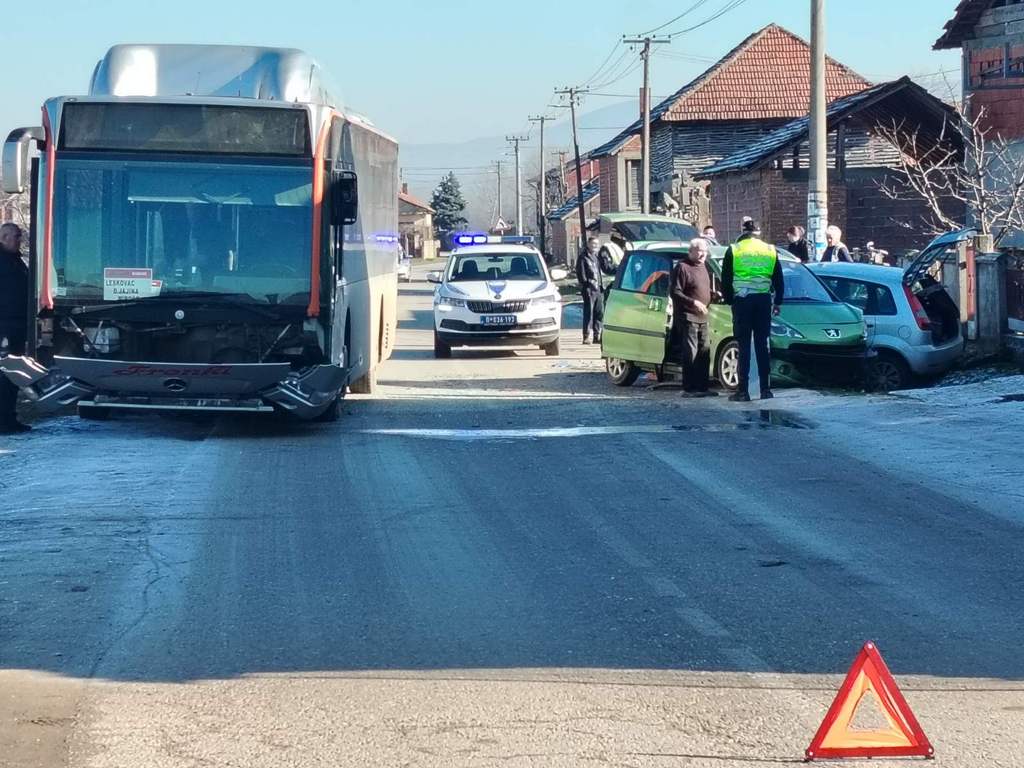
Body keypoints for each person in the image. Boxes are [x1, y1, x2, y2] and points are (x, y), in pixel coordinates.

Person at [721, 219, 784, 402]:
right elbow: (778, 278)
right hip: (763, 300)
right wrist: (778, 301)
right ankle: (765, 389)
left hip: (742, 301)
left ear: (743, 231)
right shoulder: (770, 250)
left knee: (744, 345)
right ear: (758, 232)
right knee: (762, 345)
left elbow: (726, 279)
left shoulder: (734, 249)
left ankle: (743, 391)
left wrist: (729, 300)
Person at [670, 237, 717, 397]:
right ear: (691, 252)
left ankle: (703, 386)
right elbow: (675, 292)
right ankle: (689, 388)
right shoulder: (682, 267)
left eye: (705, 251)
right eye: (700, 251)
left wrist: (713, 295)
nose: (703, 254)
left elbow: (701, 288)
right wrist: (694, 302)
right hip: (687, 316)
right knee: (691, 352)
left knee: (704, 351)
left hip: (703, 316)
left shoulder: (703, 266)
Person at [0, 223, 30, 434]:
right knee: (5, 374)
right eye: (17, 236)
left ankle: (8, 418)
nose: (20, 240)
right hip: (5, 325)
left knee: (12, 375)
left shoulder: (16, 260)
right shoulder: (4, 261)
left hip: (15, 324)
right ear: (4, 237)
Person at [575, 236, 614, 344]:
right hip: (589, 289)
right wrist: (586, 285)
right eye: (592, 244)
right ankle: (586, 336)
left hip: (599, 288)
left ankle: (597, 336)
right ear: (588, 244)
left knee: (599, 313)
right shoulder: (583, 257)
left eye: (596, 244)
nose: (594, 246)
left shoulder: (597, 257)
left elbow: (606, 269)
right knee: (589, 313)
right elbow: (580, 274)